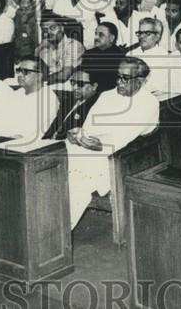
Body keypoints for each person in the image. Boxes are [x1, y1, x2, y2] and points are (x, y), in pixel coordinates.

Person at [66, 57, 159, 227]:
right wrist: (76, 135)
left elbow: (123, 139)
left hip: (121, 157)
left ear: (141, 81)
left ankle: (58, 234)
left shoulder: (149, 103)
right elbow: (88, 127)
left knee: (75, 179)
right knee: (53, 159)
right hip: (90, 149)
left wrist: (95, 144)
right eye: (118, 76)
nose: (119, 82)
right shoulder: (106, 95)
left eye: (125, 78)